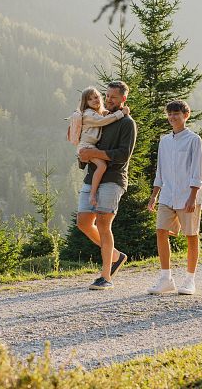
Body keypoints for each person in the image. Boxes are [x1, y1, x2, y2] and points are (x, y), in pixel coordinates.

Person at [76, 81, 137, 290]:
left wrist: (94, 154)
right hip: (93, 176)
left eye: (113, 97)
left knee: (103, 224)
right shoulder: (100, 117)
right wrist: (84, 155)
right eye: (107, 95)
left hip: (113, 178)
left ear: (123, 99)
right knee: (83, 222)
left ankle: (106, 277)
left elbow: (122, 155)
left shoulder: (127, 123)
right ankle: (116, 256)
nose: (109, 99)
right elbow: (87, 141)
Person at [147, 100, 202, 296]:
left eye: (176, 113)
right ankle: (166, 278)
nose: (172, 117)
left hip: (188, 195)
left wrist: (192, 196)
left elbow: (197, 171)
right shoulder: (164, 141)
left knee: (191, 236)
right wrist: (154, 195)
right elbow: (160, 171)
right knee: (161, 231)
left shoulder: (193, 139)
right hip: (167, 194)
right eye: (169, 114)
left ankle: (190, 280)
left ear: (185, 115)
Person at [70, 86, 130, 207]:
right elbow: (102, 121)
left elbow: (104, 116)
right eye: (90, 99)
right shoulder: (88, 114)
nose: (95, 100)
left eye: (96, 97)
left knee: (101, 165)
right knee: (102, 166)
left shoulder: (98, 112)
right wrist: (120, 113)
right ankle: (92, 194)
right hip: (86, 146)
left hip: (91, 147)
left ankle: (92, 193)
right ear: (85, 103)